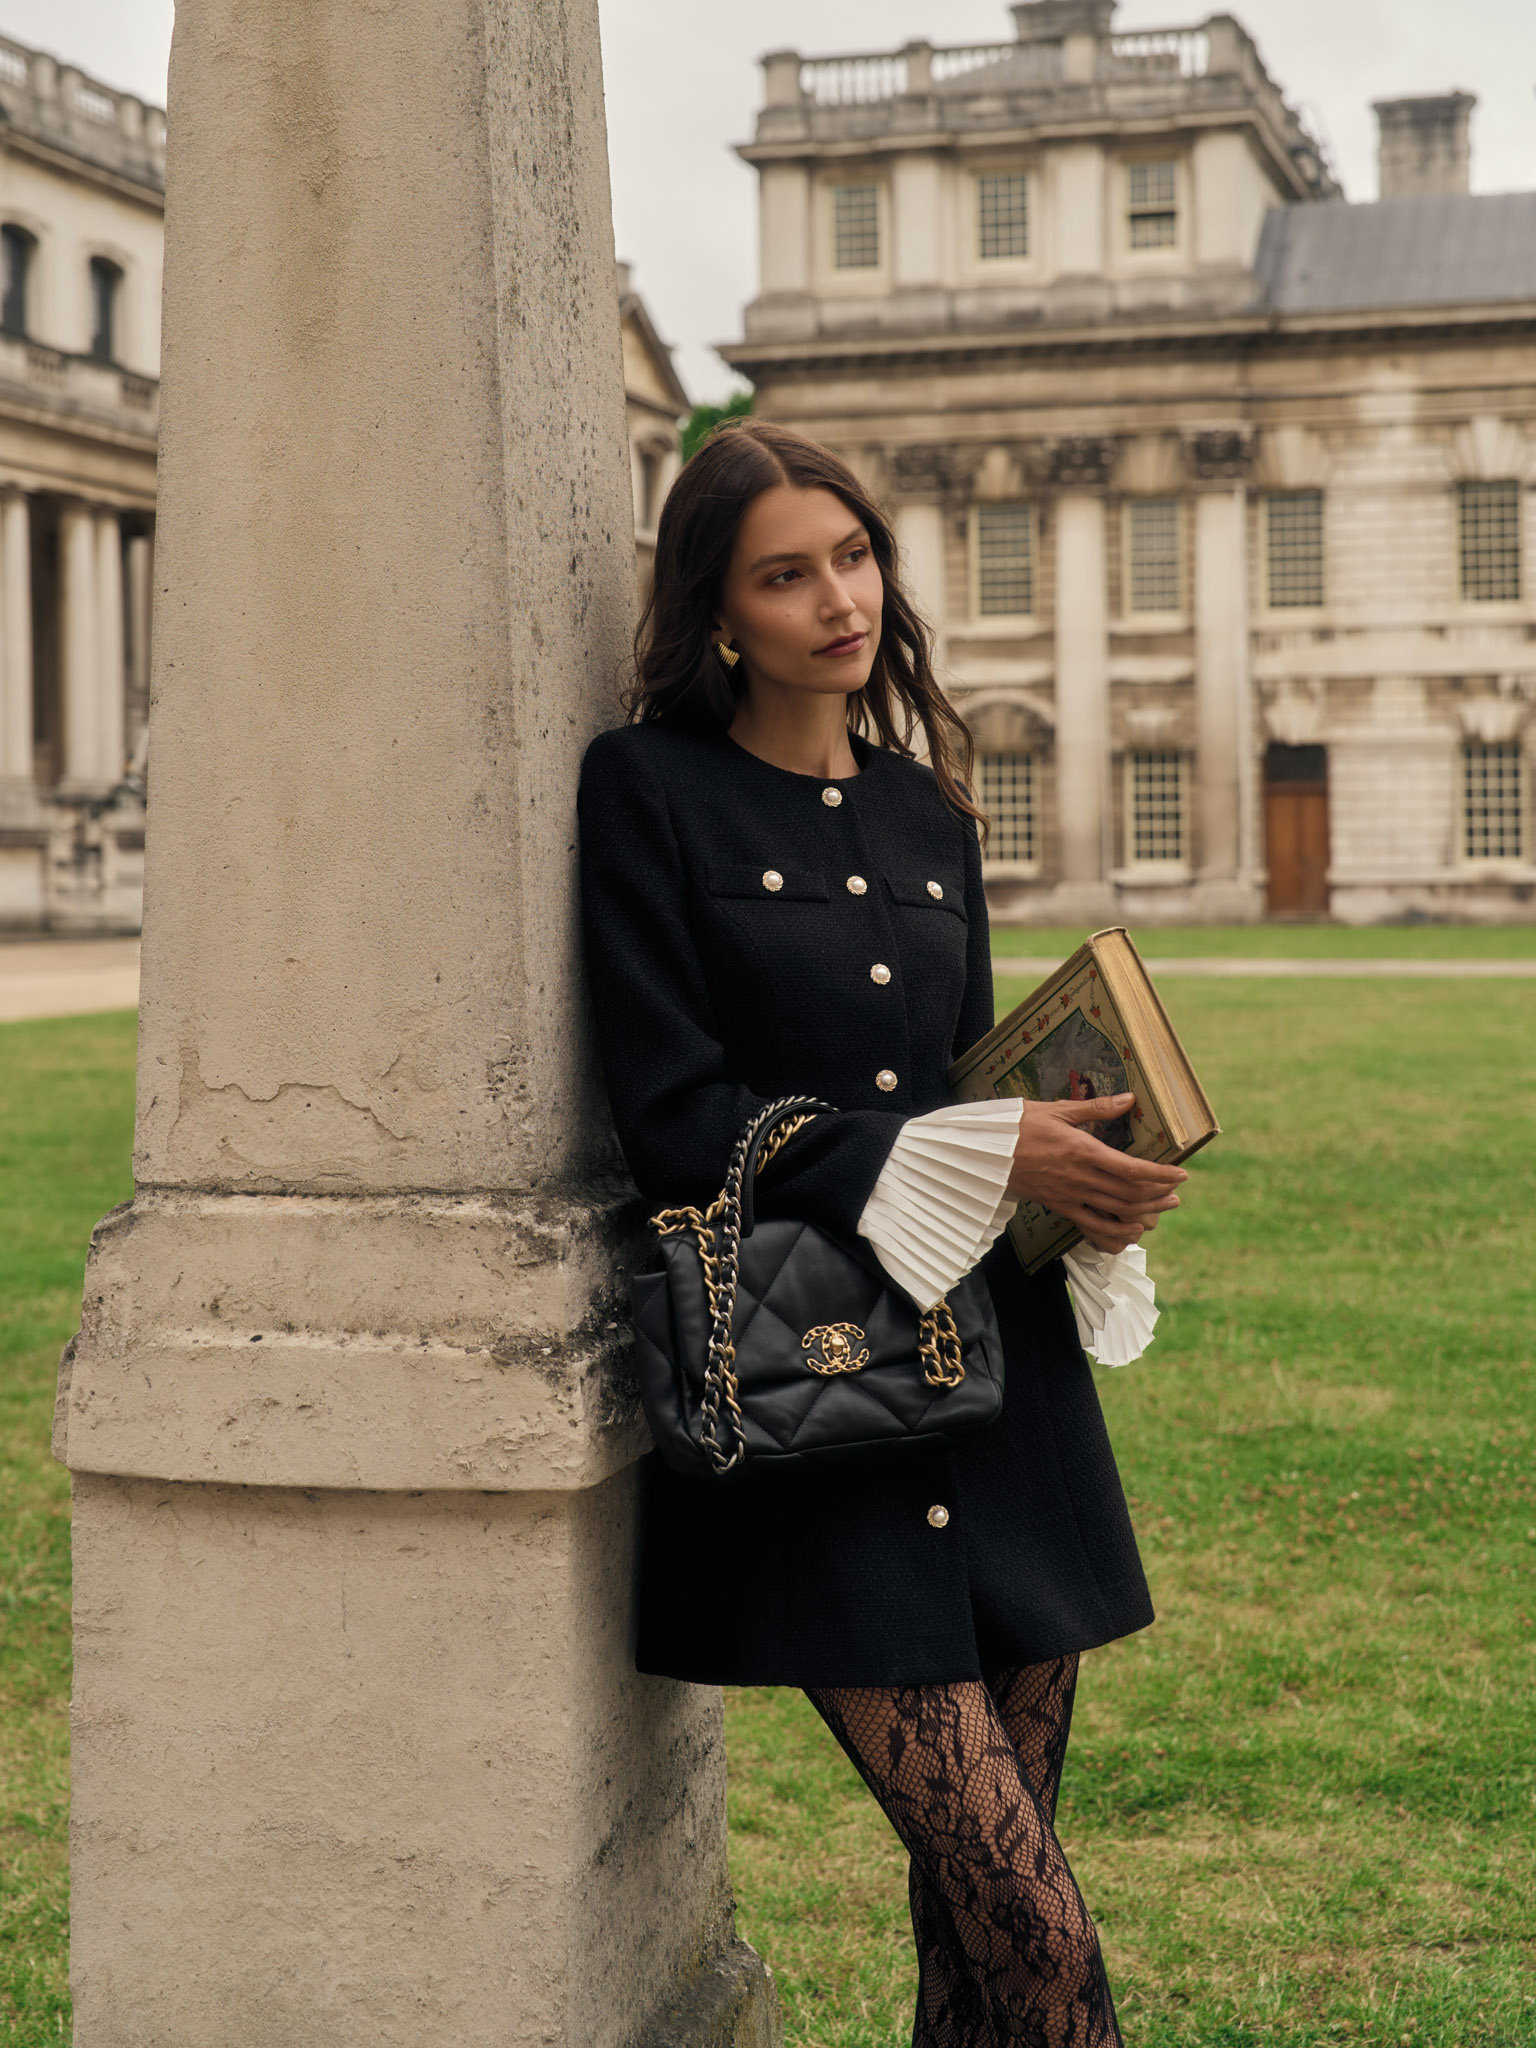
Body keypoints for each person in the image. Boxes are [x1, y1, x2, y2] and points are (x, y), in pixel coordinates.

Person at [577, 418, 1187, 2048]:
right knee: (1041, 1939)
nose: (837, 600)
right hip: (816, 1403)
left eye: (852, 558)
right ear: (719, 609)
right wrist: (964, 1147)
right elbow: (674, 1117)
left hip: (1008, 1397)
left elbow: (970, 1081)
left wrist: (1079, 1174)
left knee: (972, 1948)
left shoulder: (928, 807)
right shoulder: (646, 791)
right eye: (785, 574)